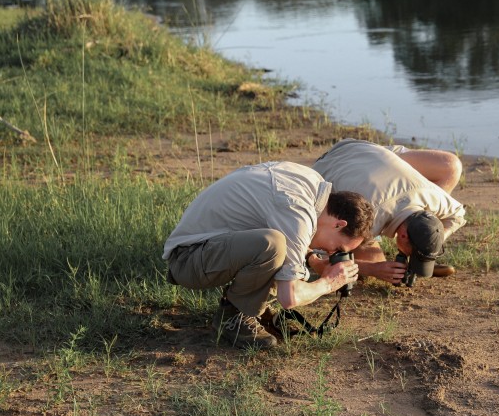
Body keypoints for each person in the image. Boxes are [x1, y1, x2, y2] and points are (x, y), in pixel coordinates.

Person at [163, 161, 374, 349]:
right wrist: (329, 283)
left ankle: (250, 306)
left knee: (283, 250)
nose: (331, 253)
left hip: (204, 250)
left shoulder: (311, 184)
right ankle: (234, 318)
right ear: (339, 224)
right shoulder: (299, 213)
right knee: (273, 245)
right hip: (189, 261)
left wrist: (311, 260)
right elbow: (289, 298)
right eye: (338, 249)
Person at [311, 139, 466, 285]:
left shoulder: (434, 197)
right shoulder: (369, 218)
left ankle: (416, 247)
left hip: (368, 153)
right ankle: (373, 249)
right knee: (373, 259)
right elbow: (322, 258)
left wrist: (433, 240)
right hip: (328, 165)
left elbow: (458, 217)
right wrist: (372, 269)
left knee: (450, 167)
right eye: (413, 255)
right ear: (403, 236)